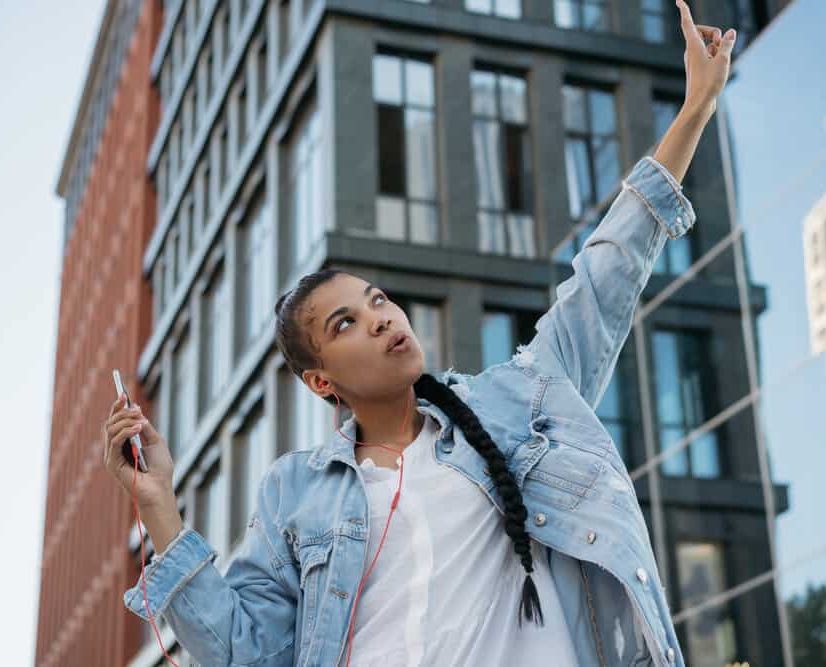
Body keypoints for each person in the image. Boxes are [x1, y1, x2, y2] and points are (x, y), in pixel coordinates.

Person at [103, 1, 736, 664]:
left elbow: (606, 277)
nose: (381, 316)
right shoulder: (294, 491)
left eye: (377, 299)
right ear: (322, 380)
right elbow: (242, 652)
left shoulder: (518, 404)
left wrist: (694, 108)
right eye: (346, 321)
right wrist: (158, 505)